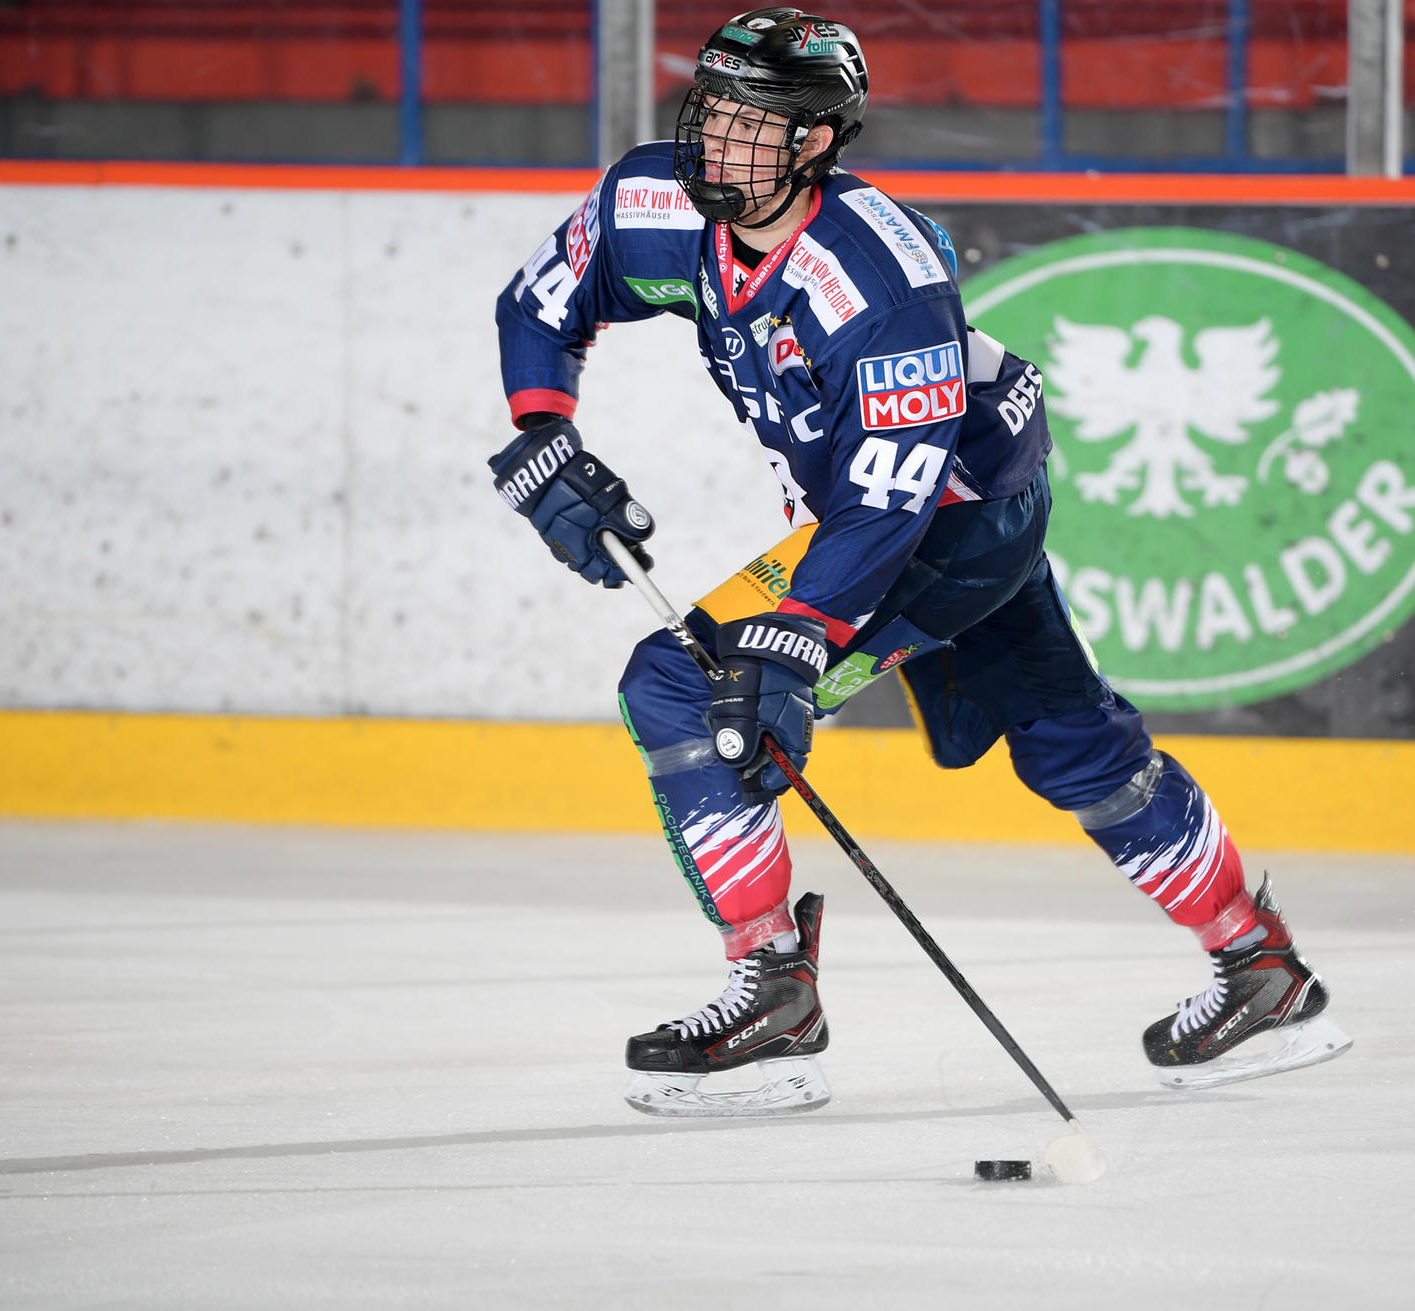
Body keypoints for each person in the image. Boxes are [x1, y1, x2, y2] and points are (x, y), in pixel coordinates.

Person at [489, 7, 1350, 1117]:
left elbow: (890, 494)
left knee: (685, 683)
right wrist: (541, 431)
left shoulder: (882, 277)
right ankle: (1260, 964)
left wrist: (796, 645)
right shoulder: (654, 204)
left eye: (756, 124)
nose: (717, 142)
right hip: (910, 503)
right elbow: (542, 303)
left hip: (952, 511)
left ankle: (772, 993)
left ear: (818, 143)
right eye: (710, 110)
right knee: (1067, 736)